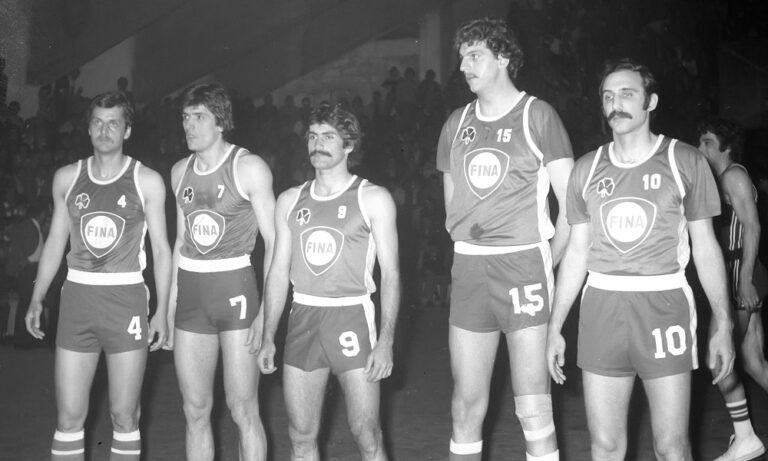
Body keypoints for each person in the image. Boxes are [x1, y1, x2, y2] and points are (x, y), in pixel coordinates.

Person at [546, 59, 735, 460]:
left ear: (651, 101)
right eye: (608, 97)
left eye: (627, 94)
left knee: (671, 447)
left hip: (663, 305)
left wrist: (723, 322)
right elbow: (577, 251)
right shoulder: (586, 168)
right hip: (601, 306)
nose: (615, 104)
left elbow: (706, 247)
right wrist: (555, 324)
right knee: (605, 445)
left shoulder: (685, 161)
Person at [436, 17, 574, 461]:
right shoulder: (456, 123)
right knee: (464, 404)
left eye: (474, 56)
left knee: (533, 408)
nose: (464, 66)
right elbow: (452, 208)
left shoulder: (538, 115)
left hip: (523, 264)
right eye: (462, 58)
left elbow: (574, 209)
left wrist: (546, 260)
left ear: (504, 58)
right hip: (469, 266)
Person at [24, 91, 172, 461]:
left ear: (127, 130)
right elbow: (55, 242)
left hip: (126, 301)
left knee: (124, 415)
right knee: (68, 417)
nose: (104, 131)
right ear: (88, 128)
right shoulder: (67, 178)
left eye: (113, 124)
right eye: (98, 123)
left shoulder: (147, 180)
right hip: (78, 299)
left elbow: (162, 250)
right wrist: (37, 296)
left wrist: (162, 312)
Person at [257, 104, 400, 461]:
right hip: (304, 317)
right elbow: (278, 271)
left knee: (366, 434)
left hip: (351, 317)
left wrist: (386, 341)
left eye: (328, 137)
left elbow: (392, 274)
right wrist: (268, 335)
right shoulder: (290, 199)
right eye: (312, 136)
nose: (317, 144)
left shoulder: (373, 198)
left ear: (349, 145)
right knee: (300, 436)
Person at [167, 83, 275, 461]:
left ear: (221, 122)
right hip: (192, 292)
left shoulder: (248, 167)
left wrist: (267, 313)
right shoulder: (179, 172)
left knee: (242, 408)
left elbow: (276, 243)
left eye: (199, 117)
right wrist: (169, 308)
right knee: (194, 409)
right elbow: (181, 243)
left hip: (235, 288)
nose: (189, 125)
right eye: (186, 117)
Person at [698, 118, 767, 461]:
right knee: (754, 363)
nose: (700, 148)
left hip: (743, 274)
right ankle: (745, 434)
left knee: (717, 358)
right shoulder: (722, 179)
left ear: (725, 146)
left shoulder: (733, 175)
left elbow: (752, 227)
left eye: (707, 142)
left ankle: (745, 438)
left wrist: (744, 280)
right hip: (741, 274)